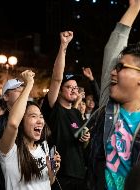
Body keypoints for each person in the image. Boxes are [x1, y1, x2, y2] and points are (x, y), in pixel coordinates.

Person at [87, 0, 140, 189]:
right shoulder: (107, 108)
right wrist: (134, 8)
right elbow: (113, 48)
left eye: (120, 67)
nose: (112, 72)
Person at [41, 31, 90, 190]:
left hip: (80, 174)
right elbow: (56, 78)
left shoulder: (77, 113)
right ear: (60, 91)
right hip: (60, 174)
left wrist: (86, 138)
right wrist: (63, 46)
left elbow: (83, 145)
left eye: (76, 88)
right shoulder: (54, 108)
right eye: (69, 87)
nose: (74, 90)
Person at [0, 70, 61, 190]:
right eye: (33, 116)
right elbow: (12, 123)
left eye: (41, 117)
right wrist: (29, 84)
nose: (40, 121)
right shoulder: (9, 150)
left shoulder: (44, 146)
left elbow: (48, 183)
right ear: (21, 121)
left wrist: (52, 170)